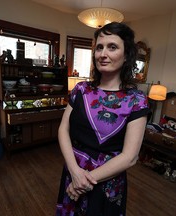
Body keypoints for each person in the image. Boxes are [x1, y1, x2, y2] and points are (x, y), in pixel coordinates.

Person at [56, 22, 150, 215]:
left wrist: (83, 181)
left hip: (106, 183)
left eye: (112, 47)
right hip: (73, 172)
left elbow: (130, 157)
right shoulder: (80, 90)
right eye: (99, 47)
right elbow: (63, 130)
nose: (103, 54)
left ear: (126, 56)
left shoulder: (137, 100)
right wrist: (74, 172)